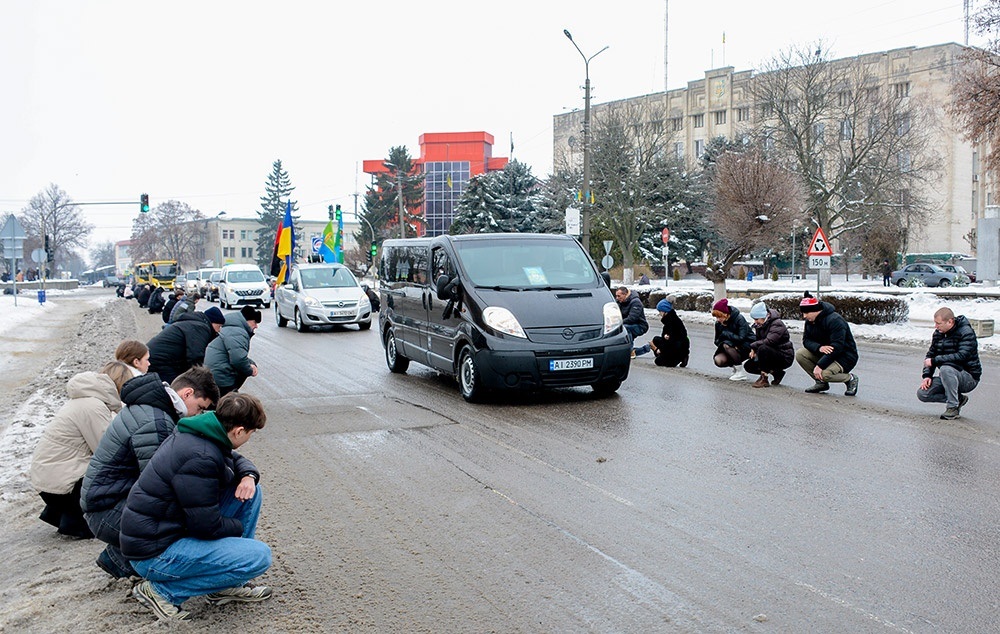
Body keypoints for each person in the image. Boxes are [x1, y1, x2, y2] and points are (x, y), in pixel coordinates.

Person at [121, 393, 271, 622]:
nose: (250, 437)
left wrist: (249, 476)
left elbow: (233, 458)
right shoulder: (200, 457)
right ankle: (161, 592)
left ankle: (225, 584)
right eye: (251, 433)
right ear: (239, 431)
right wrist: (239, 530)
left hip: (164, 533)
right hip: (154, 554)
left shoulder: (203, 432)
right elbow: (206, 527)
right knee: (258, 557)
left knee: (250, 492)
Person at [81, 366, 220, 579]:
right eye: (200, 408)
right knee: (181, 522)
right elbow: (159, 485)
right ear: (187, 393)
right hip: (106, 510)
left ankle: (119, 556)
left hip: (105, 501)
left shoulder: (154, 409)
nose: (198, 415)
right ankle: (127, 563)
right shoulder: (156, 422)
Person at [29, 361, 132, 538]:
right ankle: (74, 521)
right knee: (114, 475)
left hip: (48, 479)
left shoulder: (84, 401)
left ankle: (61, 513)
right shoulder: (93, 407)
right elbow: (107, 450)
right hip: (62, 485)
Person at [916, 306, 981, 419]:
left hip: (968, 378)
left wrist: (934, 361)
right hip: (948, 376)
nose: (935, 326)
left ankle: (952, 408)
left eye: (938, 323)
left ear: (950, 322)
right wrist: (927, 375)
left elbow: (962, 356)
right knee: (923, 394)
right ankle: (959, 399)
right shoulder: (938, 333)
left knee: (946, 369)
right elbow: (931, 355)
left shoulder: (966, 332)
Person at [795, 293, 860, 395]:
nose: (804, 316)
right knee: (800, 354)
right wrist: (819, 348)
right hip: (825, 354)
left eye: (806, 313)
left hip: (844, 357)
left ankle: (850, 378)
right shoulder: (810, 321)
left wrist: (820, 366)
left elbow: (837, 347)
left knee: (825, 374)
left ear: (816, 310)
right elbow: (806, 340)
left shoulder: (835, 320)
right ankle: (821, 383)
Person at [146, 307, 225, 384]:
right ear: (212, 322)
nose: (219, 330)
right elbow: (196, 356)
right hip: (162, 361)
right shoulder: (201, 327)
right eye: (219, 326)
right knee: (175, 389)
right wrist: (203, 379)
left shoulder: (192, 322)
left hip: (153, 357)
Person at [205, 306, 260, 396]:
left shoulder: (232, 329)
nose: (256, 326)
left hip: (213, 373)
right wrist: (250, 370)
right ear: (247, 320)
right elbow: (238, 359)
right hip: (221, 377)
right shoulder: (238, 332)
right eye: (255, 322)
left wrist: (252, 363)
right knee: (230, 405)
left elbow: (236, 354)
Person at [743, 301, 795, 388]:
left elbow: (769, 341)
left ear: (764, 316)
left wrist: (753, 346)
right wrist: (754, 350)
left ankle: (764, 378)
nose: (755, 322)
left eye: (757, 319)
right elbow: (759, 340)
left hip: (784, 356)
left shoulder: (777, 324)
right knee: (749, 366)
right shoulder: (760, 325)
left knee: (763, 348)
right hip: (770, 354)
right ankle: (777, 373)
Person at [635, 297, 689, 367]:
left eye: (660, 311)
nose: (659, 313)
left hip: (677, 349)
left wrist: (657, 350)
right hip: (679, 345)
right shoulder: (672, 319)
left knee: (658, 361)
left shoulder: (670, 323)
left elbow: (670, 343)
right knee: (656, 339)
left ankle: (680, 357)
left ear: (665, 311)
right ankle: (675, 355)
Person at [711, 298, 754, 381]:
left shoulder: (739, 319)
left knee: (727, 345)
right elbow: (716, 341)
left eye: (719, 316)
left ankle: (740, 371)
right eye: (716, 317)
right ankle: (735, 368)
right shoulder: (718, 324)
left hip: (746, 345)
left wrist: (726, 334)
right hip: (730, 346)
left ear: (725, 314)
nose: (718, 319)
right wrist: (723, 338)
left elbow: (741, 338)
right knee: (718, 360)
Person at [614, 286, 649, 358]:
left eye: (619, 296)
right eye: (616, 296)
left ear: (625, 294)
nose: (617, 298)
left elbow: (632, 318)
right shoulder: (619, 302)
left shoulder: (636, 302)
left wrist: (619, 323)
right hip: (629, 324)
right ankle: (644, 349)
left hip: (640, 326)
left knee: (625, 328)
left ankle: (630, 352)